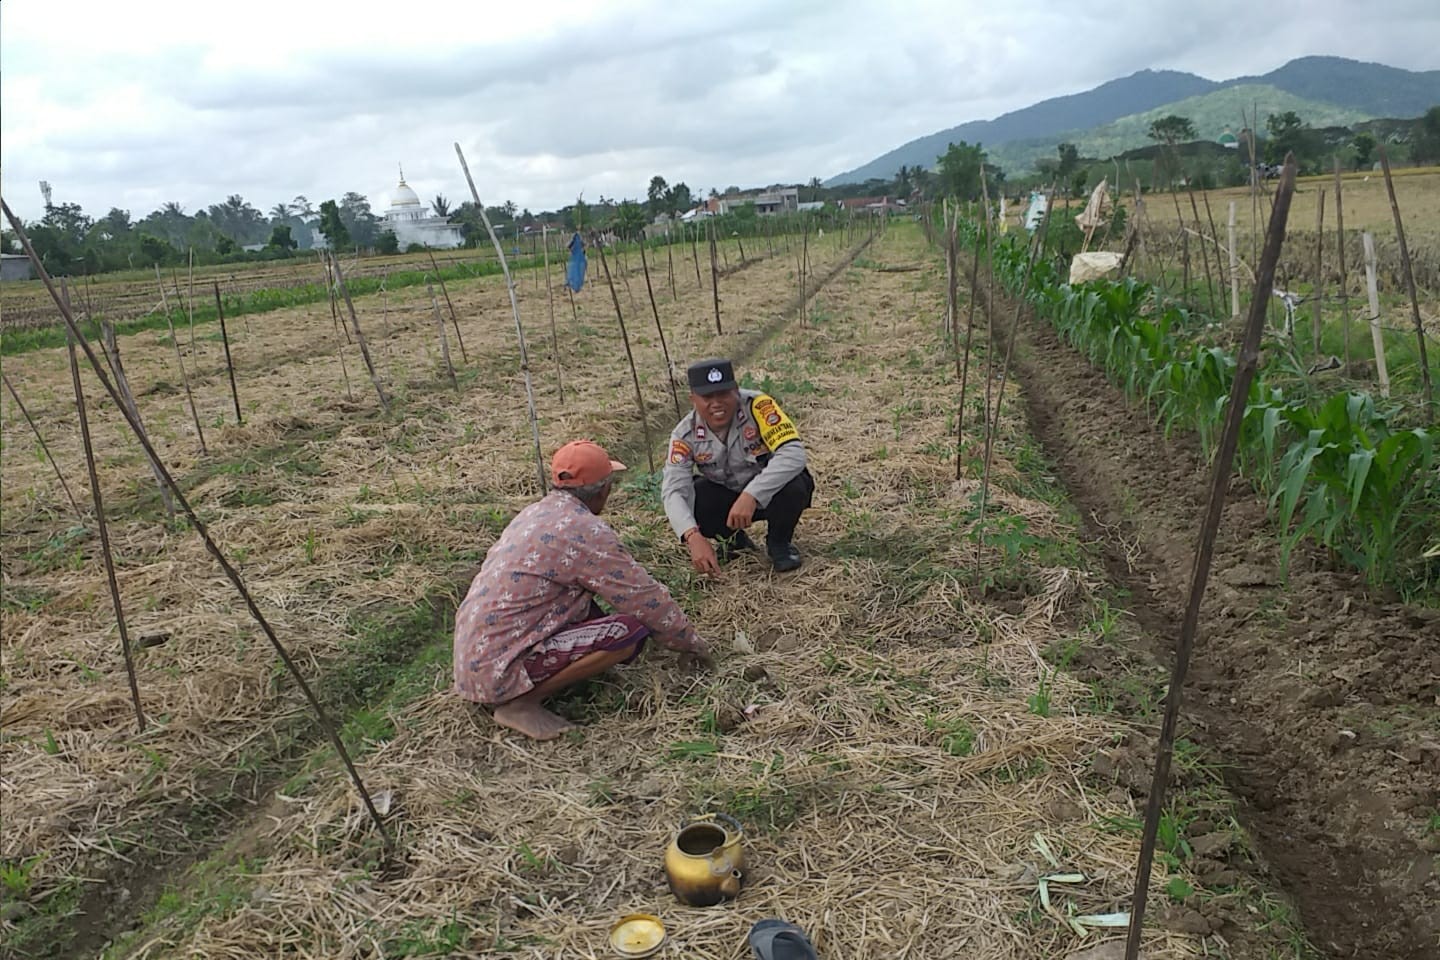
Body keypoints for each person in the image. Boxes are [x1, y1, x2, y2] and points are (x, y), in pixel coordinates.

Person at [453, 440, 713, 740]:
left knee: (585, 605)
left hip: (473, 660)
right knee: (626, 633)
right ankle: (520, 703)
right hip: (499, 669)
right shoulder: (585, 531)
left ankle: (543, 681)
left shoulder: (534, 514)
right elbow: (643, 598)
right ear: (604, 490)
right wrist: (690, 644)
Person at [662, 358, 815, 575]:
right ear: (693, 399)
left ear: (736, 390)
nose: (716, 403)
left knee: (795, 483)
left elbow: (793, 453)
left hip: (769, 493)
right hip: (727, 498)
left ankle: (779, 543)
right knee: (697, 496)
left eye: (723, 394)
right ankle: (734, 541)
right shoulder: (684, 434)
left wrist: (752, 495)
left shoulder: (759, 406)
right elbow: (674, 490)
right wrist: (691, 535)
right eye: (707, 397)